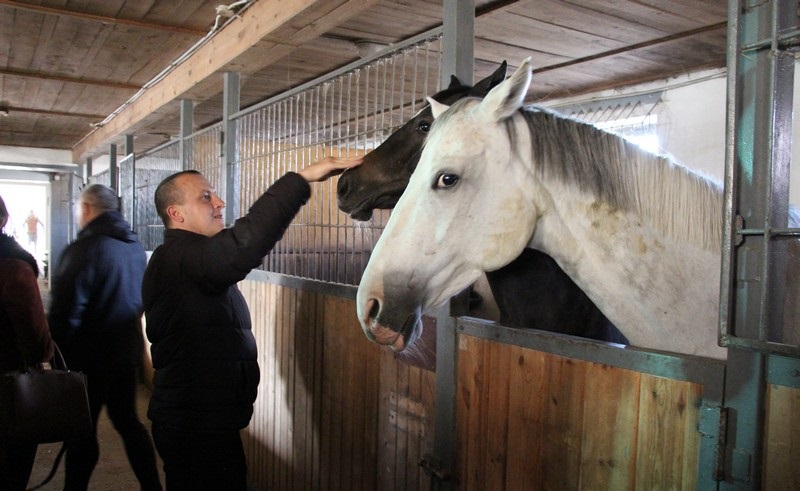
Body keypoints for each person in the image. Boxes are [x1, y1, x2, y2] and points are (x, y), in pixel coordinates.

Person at [143, 155, 362, 490]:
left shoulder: (189, 259)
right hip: (194, 424)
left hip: (205, 421)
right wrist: (300, 180)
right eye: (205, 197)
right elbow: (242, 245)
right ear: (177, 214)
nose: (219, 203)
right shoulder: (179, 259)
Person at [48, 185, 162, 491]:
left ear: (86, 208)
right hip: (125, 351)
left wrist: (56, 357)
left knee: (82, 431)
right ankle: (152, 486)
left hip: (87, 359)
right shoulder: (134, 248)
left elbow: (65, 314)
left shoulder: (83, 249)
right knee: (128, 423)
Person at [0, 195, 55, 491]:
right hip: (7, 383)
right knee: (12, 466)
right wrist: (44, 355)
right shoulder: (15, 268)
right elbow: (35, 336)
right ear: (4, 220)